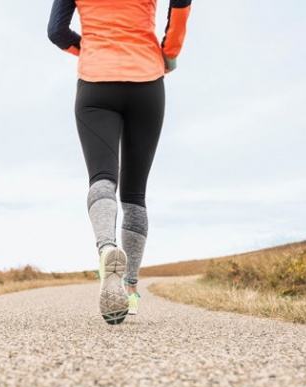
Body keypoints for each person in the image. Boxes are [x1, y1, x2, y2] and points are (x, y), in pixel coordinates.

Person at [48, 0, 193, 325]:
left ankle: (106, 249)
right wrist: (170, 51)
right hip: (147, 80)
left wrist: (88, 48)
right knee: (134, 194)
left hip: (96, 82)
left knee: (102, 179)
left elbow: (56, 31)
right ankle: (129, 287)